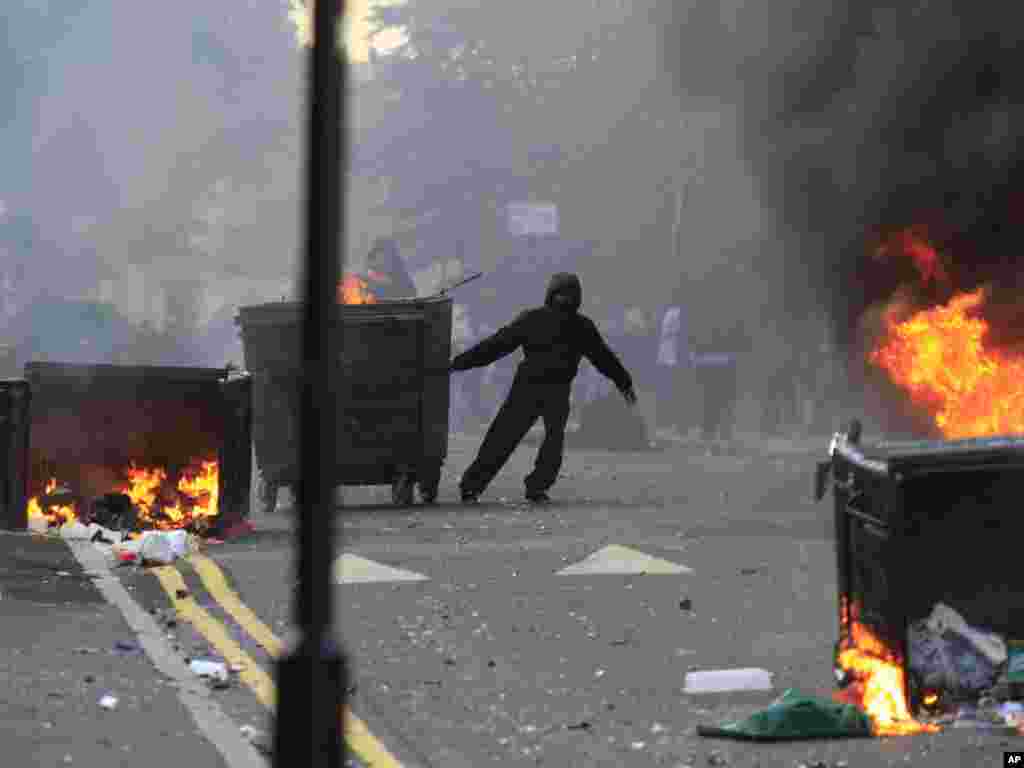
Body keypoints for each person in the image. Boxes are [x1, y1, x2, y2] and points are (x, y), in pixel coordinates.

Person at [449, 272, 637, 503]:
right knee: (519, 438)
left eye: (568, 295)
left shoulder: (555, 322)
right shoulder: (569, 324)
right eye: (562, 295)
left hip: (545, 388)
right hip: (539, 388)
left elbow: (603, 357)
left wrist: (624, 380)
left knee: (531, 440)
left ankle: (489, 485)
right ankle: (493, 485)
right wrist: (460, 363)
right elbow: (496, 346)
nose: (565, 300)